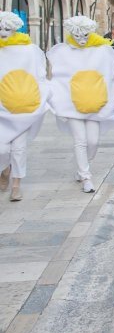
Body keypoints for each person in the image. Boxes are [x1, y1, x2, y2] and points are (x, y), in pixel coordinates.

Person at [47, 16, 114, 194]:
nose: (81, 38)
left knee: (93, 141)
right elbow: (59, 78)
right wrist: (58, 104)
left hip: (95, 103)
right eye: (77, 35)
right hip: (72, 104)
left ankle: (83, 166)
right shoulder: (63, 52)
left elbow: (110, 76)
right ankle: (85, 175)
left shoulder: (102, 51)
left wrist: (111, 99)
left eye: (85, 34)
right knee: (80, 141)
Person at [0, 12, 50, 201]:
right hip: (2, 109)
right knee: (2, 149)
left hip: (22, 108)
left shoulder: (29, 50)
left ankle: (16, 185)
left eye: (7, 28)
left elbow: (39, 75)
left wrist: (43, 96)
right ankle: (5, 169)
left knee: (19, 148)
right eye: (1, 28)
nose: (3, 32)